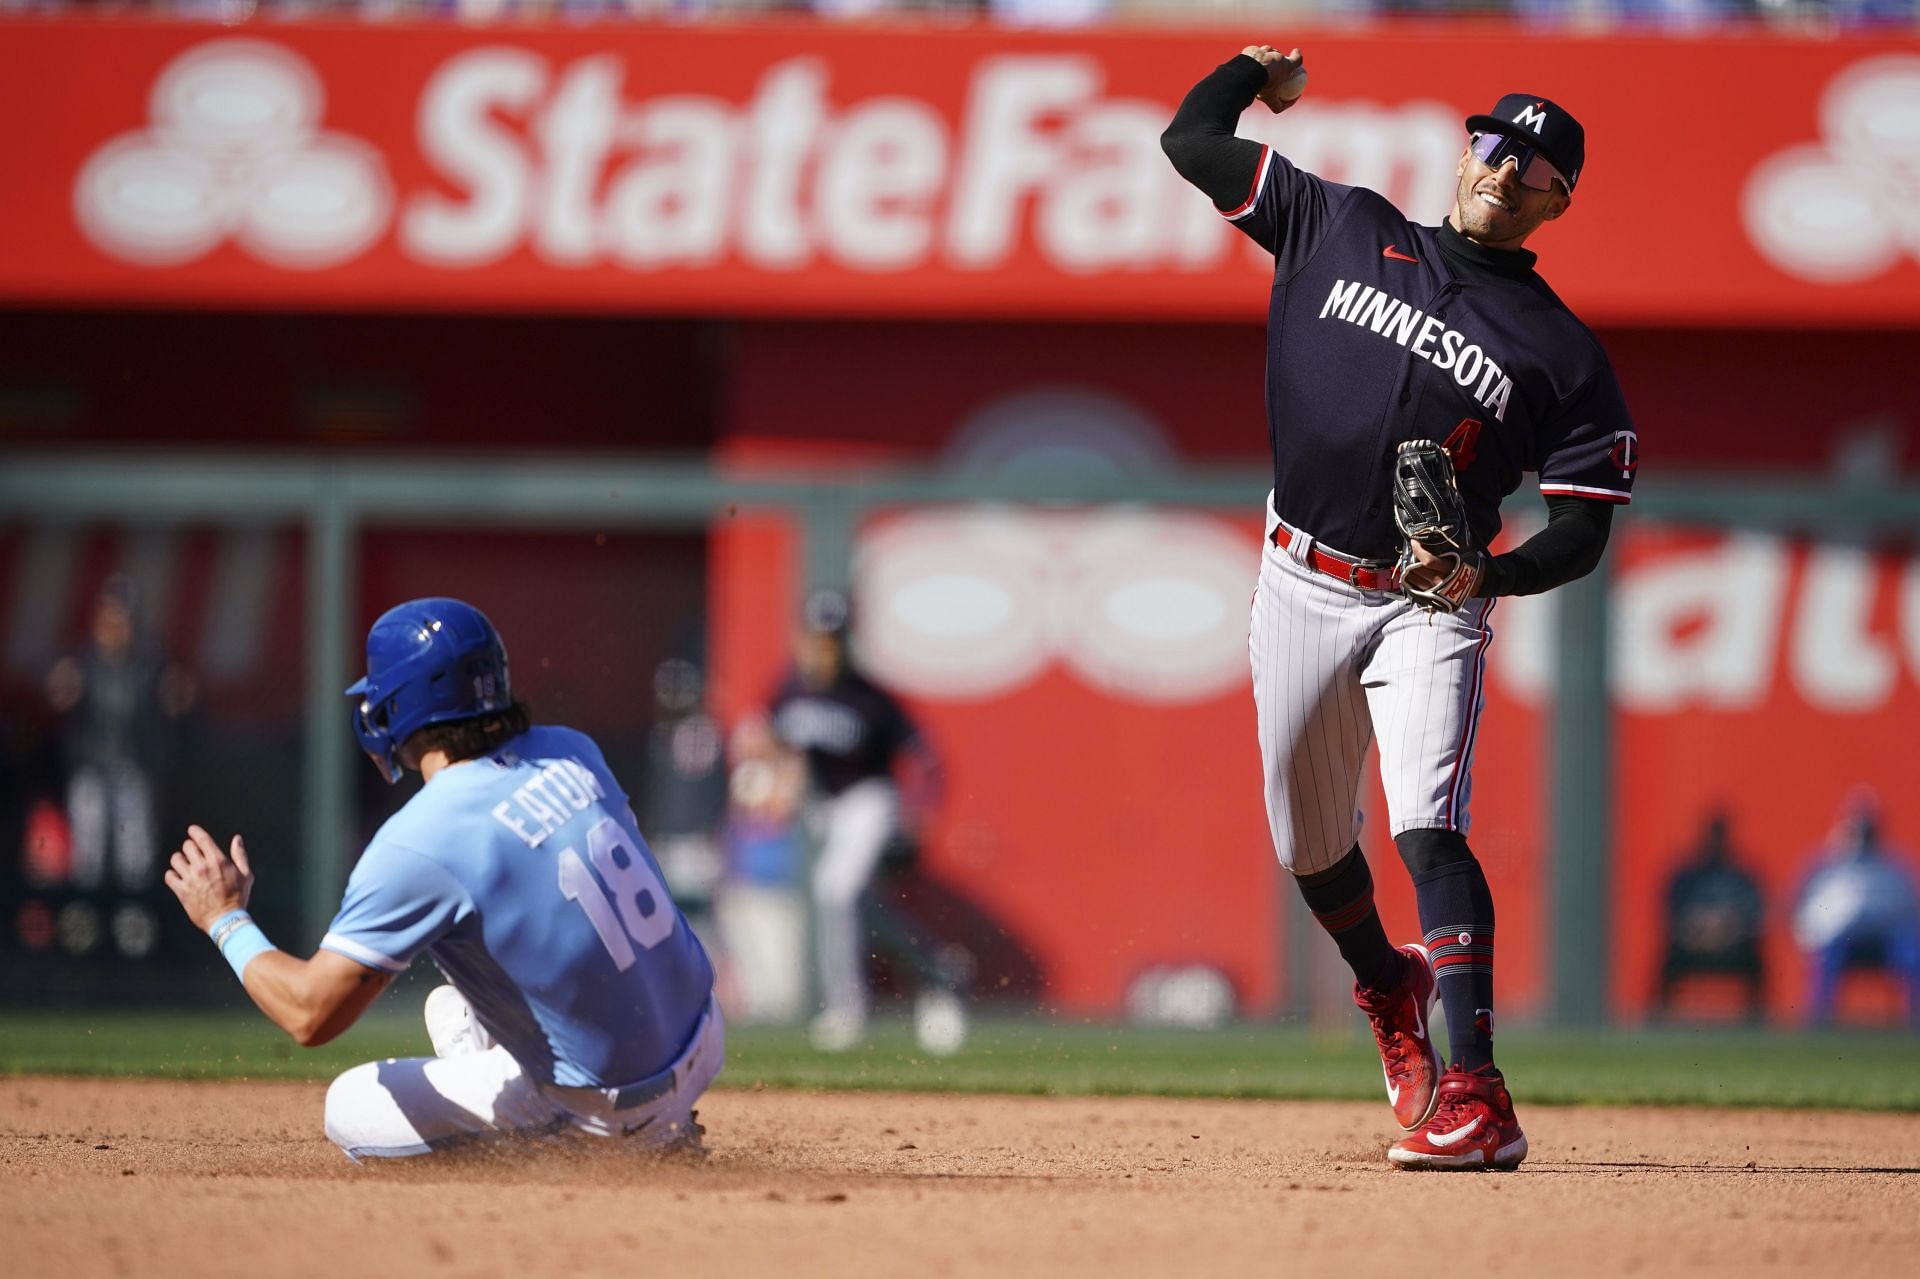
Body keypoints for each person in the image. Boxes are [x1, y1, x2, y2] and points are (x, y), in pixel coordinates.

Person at [1163, 47, 1637, 1170]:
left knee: (1429, 820)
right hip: (1298, 576)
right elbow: (1190, 143)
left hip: (1428, 600)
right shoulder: (1340, 223)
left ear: (1558, 200)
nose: (1505, 168)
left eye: (1533, 166)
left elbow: (1584, 525)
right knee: (1307, 842)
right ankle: (1387, 981)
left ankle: (1479, 1093)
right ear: (1465, 152)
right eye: (1492, 144)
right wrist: (1245, 71)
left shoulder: (1563, 353)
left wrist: (1492, 578)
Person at [162, 597, 721, 1161]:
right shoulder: (571, 750)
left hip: (609, 1108)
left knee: (348, 1106)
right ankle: (635, 1117)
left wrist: (225, 918)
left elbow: (310, 1014)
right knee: (454, 1007)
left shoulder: (424, 837)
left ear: (400, 706)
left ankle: (582, 1154)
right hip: (702, 1035)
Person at [769, 588, 965, 1054]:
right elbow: (771, 744)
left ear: (845, 642)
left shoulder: (869, 697)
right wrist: (779, 784)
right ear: (802, 638)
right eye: (817, 637)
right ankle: (937, 968)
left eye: (832, 639)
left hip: (870, 800)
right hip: (825, 808)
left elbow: (927, 757)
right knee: (856, 904)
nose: (823, 648)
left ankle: (847, 1008)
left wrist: (921, 812)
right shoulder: (789, 690)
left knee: (834, 888)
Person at [1792, 789, 1920, 1028]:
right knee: (1827, 954)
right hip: (1843, 940)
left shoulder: (1896, 865)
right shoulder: (1824, 864)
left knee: (1913, 951)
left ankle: (1915, 1024)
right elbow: (1803, 906)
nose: (1863, 835)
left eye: (1867, 828)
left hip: (1886, 941)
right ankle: (1819, 1024)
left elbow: (1911, 908)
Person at [1654, 810, 1767, 1023]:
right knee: (1669, 958)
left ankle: (1757, 1023)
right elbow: (1672, 913)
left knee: (1755, 959)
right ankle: (1658, 1021)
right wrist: (1699, 931)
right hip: (1692, 946)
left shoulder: (1741, 874)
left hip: (1734, 946)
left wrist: (1727, 930)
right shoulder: (1687, 874)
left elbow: (1754, 914)